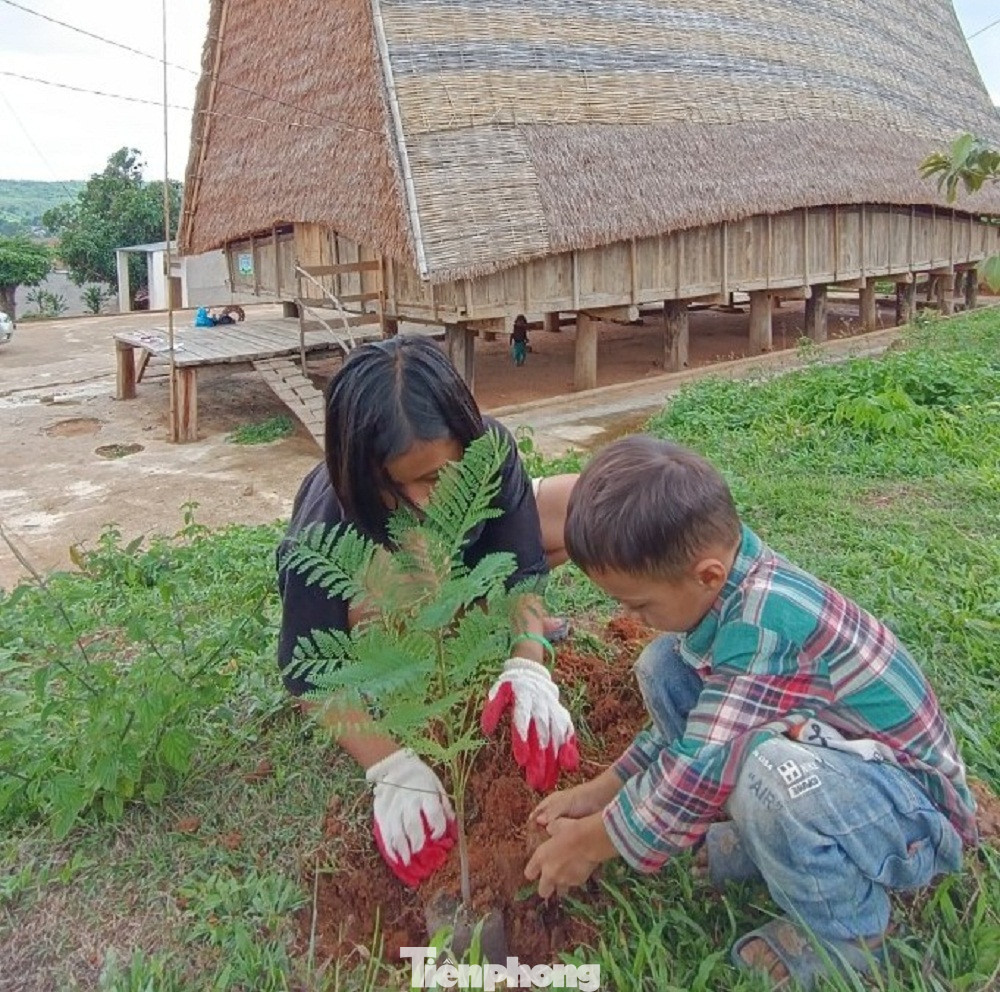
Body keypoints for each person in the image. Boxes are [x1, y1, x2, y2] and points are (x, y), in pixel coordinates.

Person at [525, 436, 976, 989]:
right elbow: (701, 729)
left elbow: (699, 765)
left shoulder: (766, 627)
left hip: (915, 812)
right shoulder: (729, 589)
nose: (631, 616)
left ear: (707, 575)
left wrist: (592, 842)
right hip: (841, 757)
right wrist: (603, 790)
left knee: (770, 775)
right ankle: (775, 843)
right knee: (666, 664)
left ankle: (848, 933)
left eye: (639, 604)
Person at [277, 335, 580, 887]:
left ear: (466, 442)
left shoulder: (490, 453)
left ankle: (488, 629)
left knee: (586, 507)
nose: (422, 502)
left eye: (438, 477)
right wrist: (388, 764)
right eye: (395, 486)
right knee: (389, 583)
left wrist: (528, 662)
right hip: (386, 600)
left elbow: (521, 570)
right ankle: (434, 639)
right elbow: (308, 675)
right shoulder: (322, 536)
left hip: (464, 574)